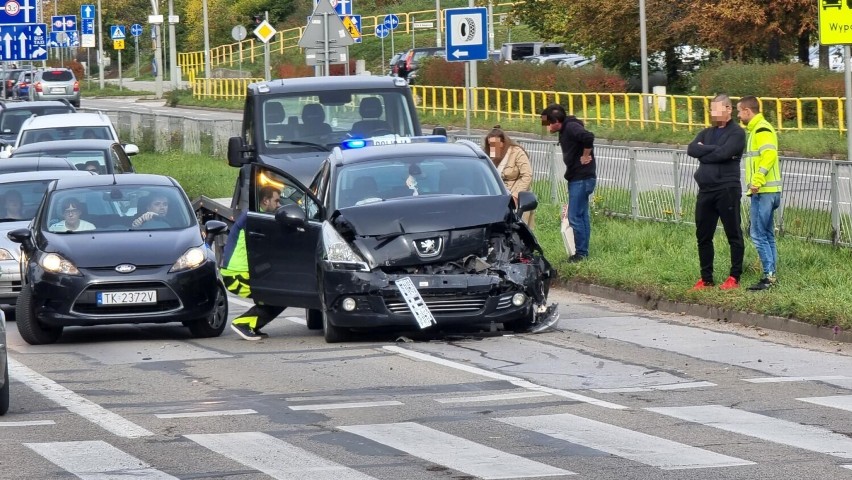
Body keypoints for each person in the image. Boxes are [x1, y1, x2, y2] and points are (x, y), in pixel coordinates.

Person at [687, 94, 746, 291]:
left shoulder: (737, 133)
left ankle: (734, 277)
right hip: (706, 190)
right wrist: (712, 150)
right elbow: (692, 149)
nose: (713, 113)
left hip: (727, 189)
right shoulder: (706, 132)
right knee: (703, 235)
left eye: (716, 109)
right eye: (711, 109)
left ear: (729, 109)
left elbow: (724, 153)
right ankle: (706, 279)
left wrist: (706, 152)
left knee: (733, 233)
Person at [221, 186, 284, 340]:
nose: (278, 205)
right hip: (236, 275)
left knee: (280, 293)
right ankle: (243, 323)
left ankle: (252, 324)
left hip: (244, 272)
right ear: (265, 200)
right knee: (279, 295)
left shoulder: (256, 216)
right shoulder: (255, 218)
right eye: (276, 201)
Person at [737, 95, 781, 291]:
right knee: (767, 234)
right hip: (768, 191)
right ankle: (771, 275)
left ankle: (769, 277)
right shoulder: (757, 130)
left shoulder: (762, 129)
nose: (738, 115)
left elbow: (769, 156)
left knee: (757, 234)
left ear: (748, 111)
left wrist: (757, 180)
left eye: (739, 111)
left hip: (763, 191)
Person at [543, 103, 596, 262]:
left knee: (574, 217)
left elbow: (588, 137)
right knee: (582, 216)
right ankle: (583, 252)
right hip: (582, 178)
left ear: (557, 121)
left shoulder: (571, 127)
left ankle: (580, 254)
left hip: (581, 179)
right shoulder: (567, 127)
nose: (546, 128)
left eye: (547, 124)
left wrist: (586, 155)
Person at [483, 126, 535, 228]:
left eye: (496, 144)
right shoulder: (488, 156)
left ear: (503, 143)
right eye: (490, 145)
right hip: (498, 198)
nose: (493, 148)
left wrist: (516, 195)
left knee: (518, 228)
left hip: (517, 197)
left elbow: (527, 175)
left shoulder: (516, 152)